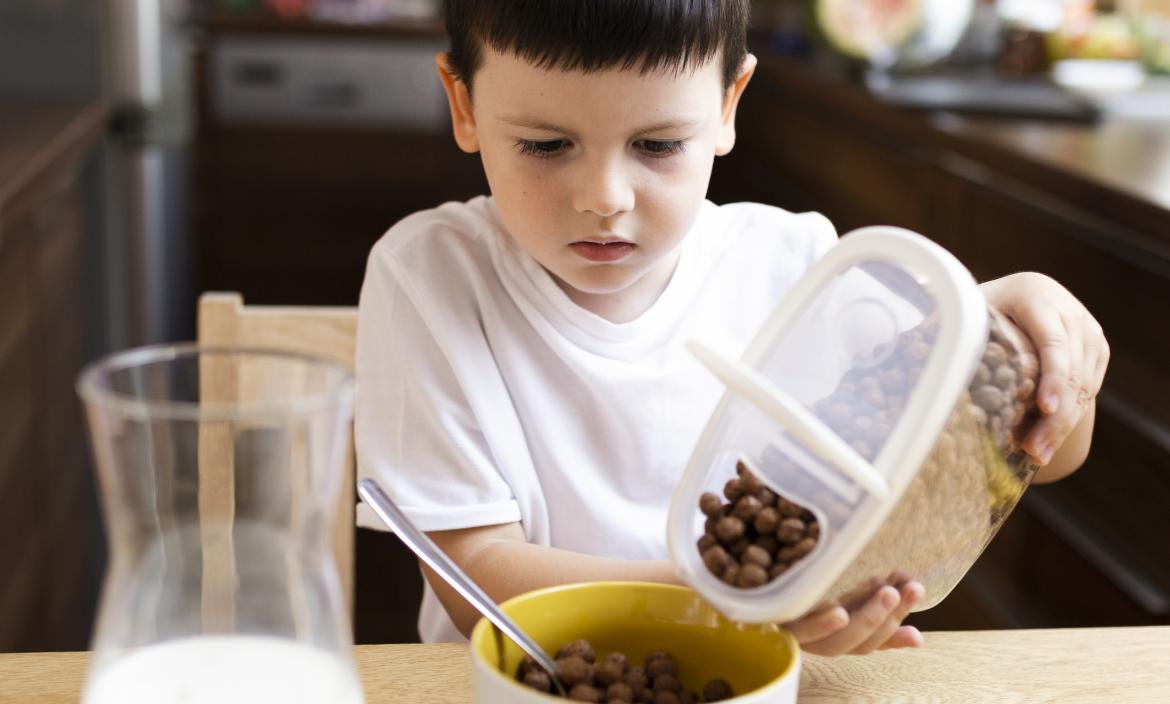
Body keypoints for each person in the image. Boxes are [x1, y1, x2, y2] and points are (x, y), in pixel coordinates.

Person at [355, 0, 1108, 656]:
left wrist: (1034, 343)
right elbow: (471, 574)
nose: (605, 197)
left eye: (657, 146)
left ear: (727, 104)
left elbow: (1040, 456)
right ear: (463, 104)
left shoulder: (800, 267)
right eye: (546, 146)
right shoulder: (428, 277)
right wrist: (735, 601)